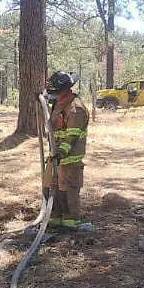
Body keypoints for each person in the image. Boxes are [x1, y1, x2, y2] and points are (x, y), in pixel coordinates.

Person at [42, 71, 89, 229]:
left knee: (67, 193)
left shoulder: (76, 110)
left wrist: (60, 154)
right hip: (55, 158)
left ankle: (70, 225)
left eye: (55, 93)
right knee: (50, 190)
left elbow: (71, 138)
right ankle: (54, 220)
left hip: (69, 160)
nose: (53, 97)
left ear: (66, 91)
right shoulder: (57, 103)